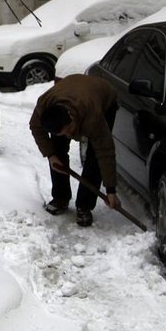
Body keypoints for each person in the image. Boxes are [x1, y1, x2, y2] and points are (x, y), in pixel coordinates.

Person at [29, 74, 121, 227]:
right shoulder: (44, 107)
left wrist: (111, 190)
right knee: (57, 150)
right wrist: (51, 156)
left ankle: (84, 206)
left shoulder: (93, 116)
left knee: (94, 158)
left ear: (71, 118)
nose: (68, 136)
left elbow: (105, 151)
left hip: (103, 98)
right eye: (62, 133)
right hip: (70, 90)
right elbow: (35, 127)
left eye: (68, 130)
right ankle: (61, 197)